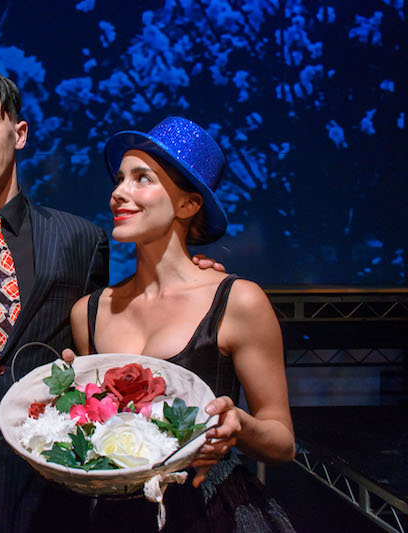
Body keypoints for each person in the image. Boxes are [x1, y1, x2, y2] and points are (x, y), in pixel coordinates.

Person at [0, 66, 224, 533]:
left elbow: (96, 365)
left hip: (52, 493)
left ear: (18, 132)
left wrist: (193, 269)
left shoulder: (81, 241)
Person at [68, 116, 296, 532]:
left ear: (189, 204)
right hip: (118, 516)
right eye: (120, 179)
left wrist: (239, 426)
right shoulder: (89, 312)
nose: (119, 193)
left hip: (209, 512)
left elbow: (282, 442)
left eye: (142, 179)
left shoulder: (237, 301)